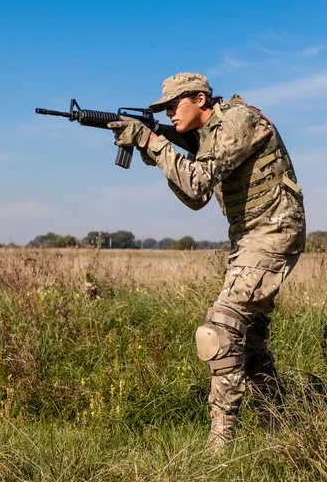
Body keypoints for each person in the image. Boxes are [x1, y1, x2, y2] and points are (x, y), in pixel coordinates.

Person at [108, 72, 306, 452]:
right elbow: (195, 198)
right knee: (251, 343)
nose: (168, 114)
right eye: (163, 109)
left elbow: (197, 184)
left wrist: (152, 141)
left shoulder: (236, 121)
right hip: (249, 238)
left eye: (173, 104)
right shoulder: (208, 136)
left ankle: (221, 444)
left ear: (200, 99)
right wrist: (158, 152)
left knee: (219, 328)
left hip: (274, 230)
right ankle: (279, 426)